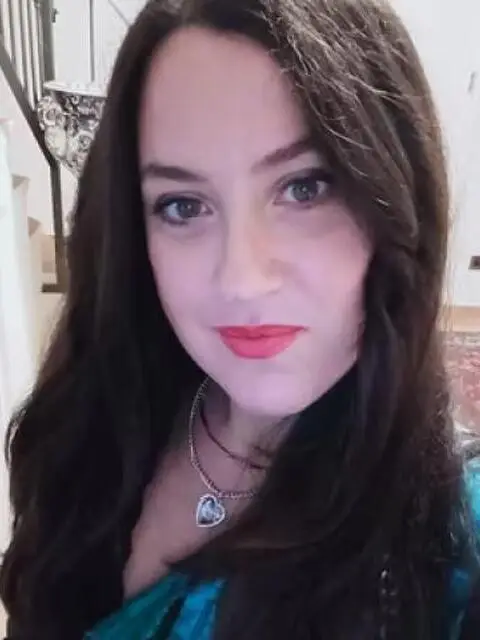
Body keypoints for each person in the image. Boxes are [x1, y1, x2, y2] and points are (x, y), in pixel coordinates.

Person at [1, 0, 479, 638]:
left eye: (305, 187)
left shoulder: (452, 538)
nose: (241, 279)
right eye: (182, 205)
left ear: (396, 197)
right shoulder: (94, 423)